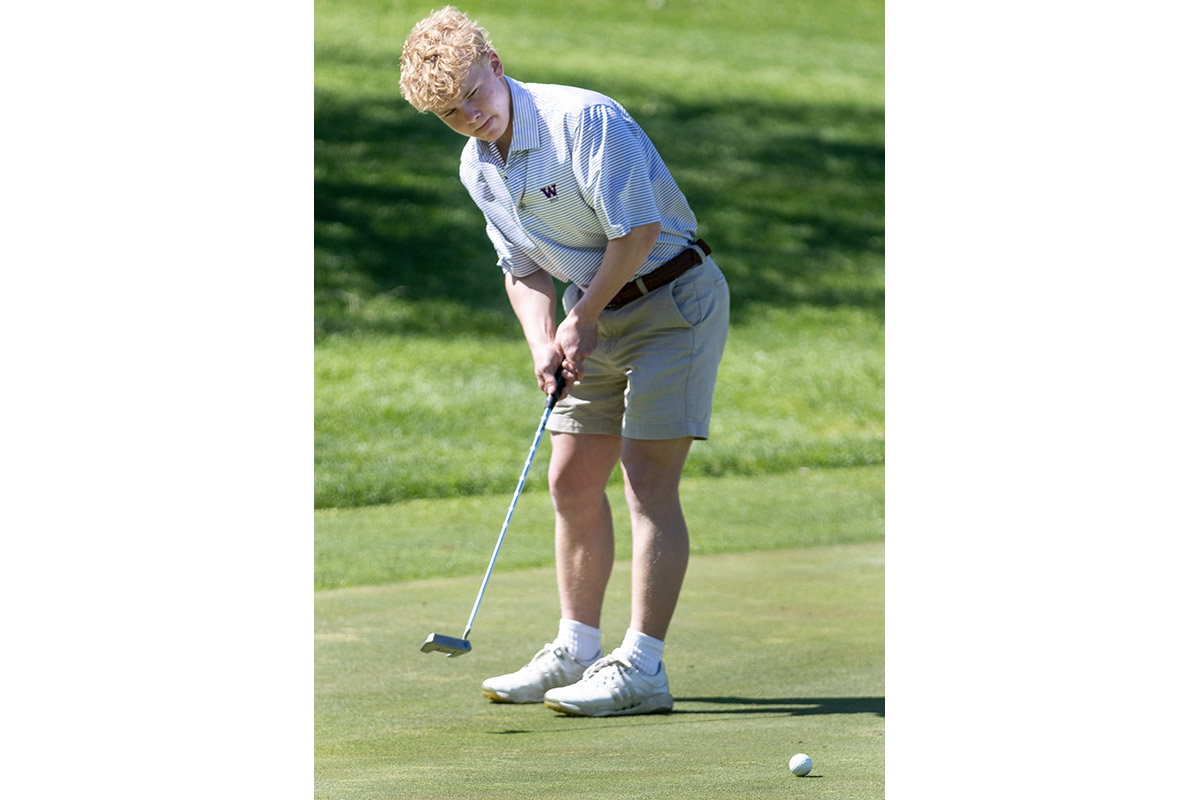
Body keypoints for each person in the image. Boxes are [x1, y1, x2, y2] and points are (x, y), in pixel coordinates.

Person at [399, 6, 729, 717]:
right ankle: (575, 648)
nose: (470, 116)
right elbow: (521, 269)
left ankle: (642, 668)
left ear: (495, 63)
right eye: (451, 113)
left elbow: (637, 232)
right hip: (594, 315)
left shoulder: (582, 122)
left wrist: (580, 319)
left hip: (674, 300)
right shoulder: (476, 166)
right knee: (572, 479)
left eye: (473, 96)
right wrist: (544, 340)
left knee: (645, 477)